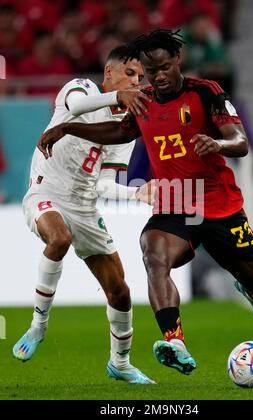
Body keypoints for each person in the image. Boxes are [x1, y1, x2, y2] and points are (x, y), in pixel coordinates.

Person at [37, 29, 253, 376]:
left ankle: (250, 288)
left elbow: (240, 141)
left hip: (220, 205)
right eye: (150, 72)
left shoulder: (206, 92)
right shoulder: (145, 100)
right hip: (176, 203)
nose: (158, 77)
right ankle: (175, 340)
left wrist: (218, 144)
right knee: (152, 251)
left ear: (177, 60)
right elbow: (120, 132)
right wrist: (69, 127)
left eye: (163, 68)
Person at [13, 44, 155, 385]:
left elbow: (104, 185)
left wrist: (136, 192)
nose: (136, 82)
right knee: (59, 238)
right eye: (130, 74)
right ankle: (38, 326)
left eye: (140, 77)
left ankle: (119, 363)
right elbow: (77, 107)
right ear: (110, 74)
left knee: (119, 291)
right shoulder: (81, 88)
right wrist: (117, 97)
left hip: (85, 206)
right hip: (46, 193)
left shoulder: (125, 128)